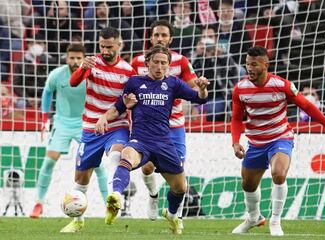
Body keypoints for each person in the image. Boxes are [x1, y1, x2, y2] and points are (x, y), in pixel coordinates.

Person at [231, 46, 325, 236]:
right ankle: (254, 218)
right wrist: (235, 141)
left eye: (254, 64)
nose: (250, 68)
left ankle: (275, 220)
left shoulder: (282, 85)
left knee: (278, 174)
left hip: (280, 137)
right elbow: (237, 118)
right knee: (248, 184)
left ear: (265, 65)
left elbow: (307, 106)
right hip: (255, 141)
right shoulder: (240, 89)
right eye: (247, 64)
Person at [95, 45, 209, 234]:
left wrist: (203, 89)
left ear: (168, 66)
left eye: (163, 63)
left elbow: (200, 99)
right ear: (147, 63)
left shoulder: (173, 83)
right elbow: (118, 108)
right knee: (126, 156)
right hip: (140, 139)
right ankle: (116, 196)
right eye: (155, 62)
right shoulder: (134, 82)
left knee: (181, 187)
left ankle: (172, 215)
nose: (159, 66)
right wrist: (103, 118)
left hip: (164, 142)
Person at [60, 27, 135, 233]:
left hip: (116, 126)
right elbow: (73, 83)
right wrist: (82, 67)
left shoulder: (128, 71)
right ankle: (78, 220)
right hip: (91, 129)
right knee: (81, 180)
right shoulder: (92, 63)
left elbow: (127, 101)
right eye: (102, 46)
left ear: (119, 45)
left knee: (116, 156)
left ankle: (113, 199)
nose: (105, 50)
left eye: (109, 46)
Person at [29, 44, 108, 218]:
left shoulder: (91, 75)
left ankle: (108, 204)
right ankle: (38, 203)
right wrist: (44, 119)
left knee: (99, 165)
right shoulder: (57, 75)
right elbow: (47, 92)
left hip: (85, 124)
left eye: (78, 58)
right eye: (72, 58)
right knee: (49, 161)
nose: (75, 61)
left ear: (84, 58)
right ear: (66, 58)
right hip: (62, 123)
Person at [131, 19, 198, 224]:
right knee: (147, 168)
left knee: (178, 171)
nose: (160, 38)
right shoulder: (138, 62)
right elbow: (129, 90)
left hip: (174, 124)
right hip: (147, 126)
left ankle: (174, 214)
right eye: (156, 35)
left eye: (164, 35)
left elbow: (193, 88)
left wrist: (197, 87)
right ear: (150, 38)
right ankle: (153, 196)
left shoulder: (182, 61)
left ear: (170, 38)